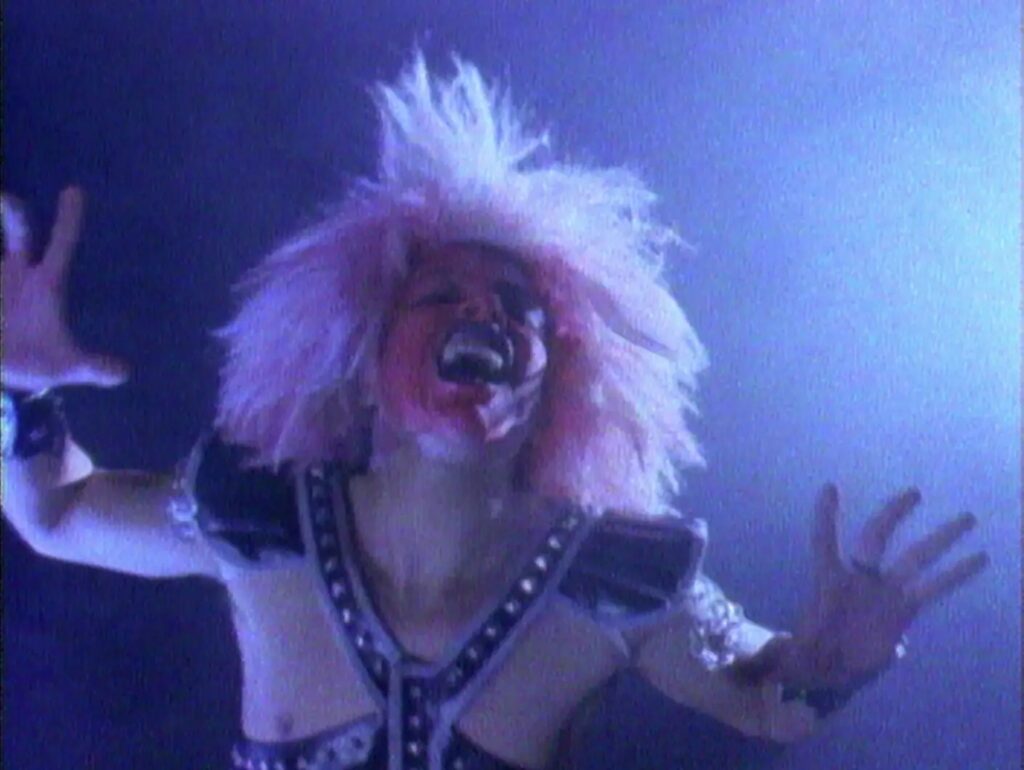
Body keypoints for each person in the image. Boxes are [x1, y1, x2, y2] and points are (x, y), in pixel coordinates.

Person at [0, 55, 989, 770]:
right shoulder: (255, 517)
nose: (483, 314)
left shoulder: (621, 581)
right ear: (363, 358)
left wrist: (834, 663)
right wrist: (14, 391)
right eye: (441, 295)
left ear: (559, 382)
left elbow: (770, 703)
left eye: (519, 308)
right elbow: (58, 512)